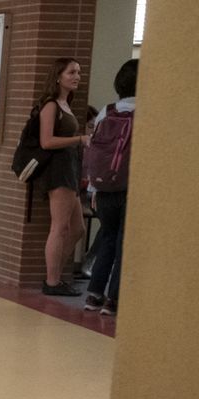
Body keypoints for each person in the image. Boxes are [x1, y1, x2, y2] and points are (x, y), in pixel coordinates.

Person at [31, 58, 91, 296]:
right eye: (71, 72)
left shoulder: (67, 103)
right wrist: (80, 139)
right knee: (60, 226)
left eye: (78, 72)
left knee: (77, 228)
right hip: (58, 171)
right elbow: (46, 141)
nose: (76, 76)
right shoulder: (51, 105)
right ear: (58, 76)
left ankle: (53, 273)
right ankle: (52, 280)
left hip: (70, 169)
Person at [84, 58, 137, 316]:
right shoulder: (147, 112)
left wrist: (93, 188)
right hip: (129, 188)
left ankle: (93, 294)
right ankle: (113, 300)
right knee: (123, 245)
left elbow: (95, 148)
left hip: (103, 188)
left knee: (106, 237)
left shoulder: (108, 110)